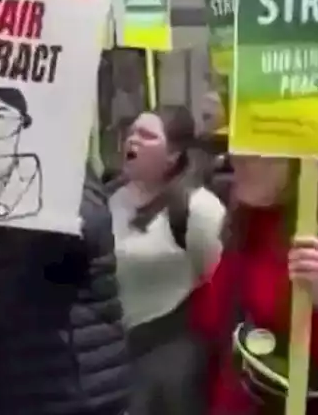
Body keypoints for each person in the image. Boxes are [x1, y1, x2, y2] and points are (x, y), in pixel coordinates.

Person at [190, 156, 318, 414]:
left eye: (260, 153)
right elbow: (209, 321)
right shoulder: (250, 222)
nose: (238, 160)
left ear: (301, 163)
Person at [0, 167, 132, 415]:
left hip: (65, 390)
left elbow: (83, 232)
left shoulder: (75, 188)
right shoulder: (2, 192)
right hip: (5, 385)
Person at [107, 106, 225, 415]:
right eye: (131, 132)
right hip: (115, 355)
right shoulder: (110, 198)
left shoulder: (199, 209)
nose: (133, 140)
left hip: (171, 362)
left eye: (146, 136)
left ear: (173, 155)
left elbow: (218, 284)